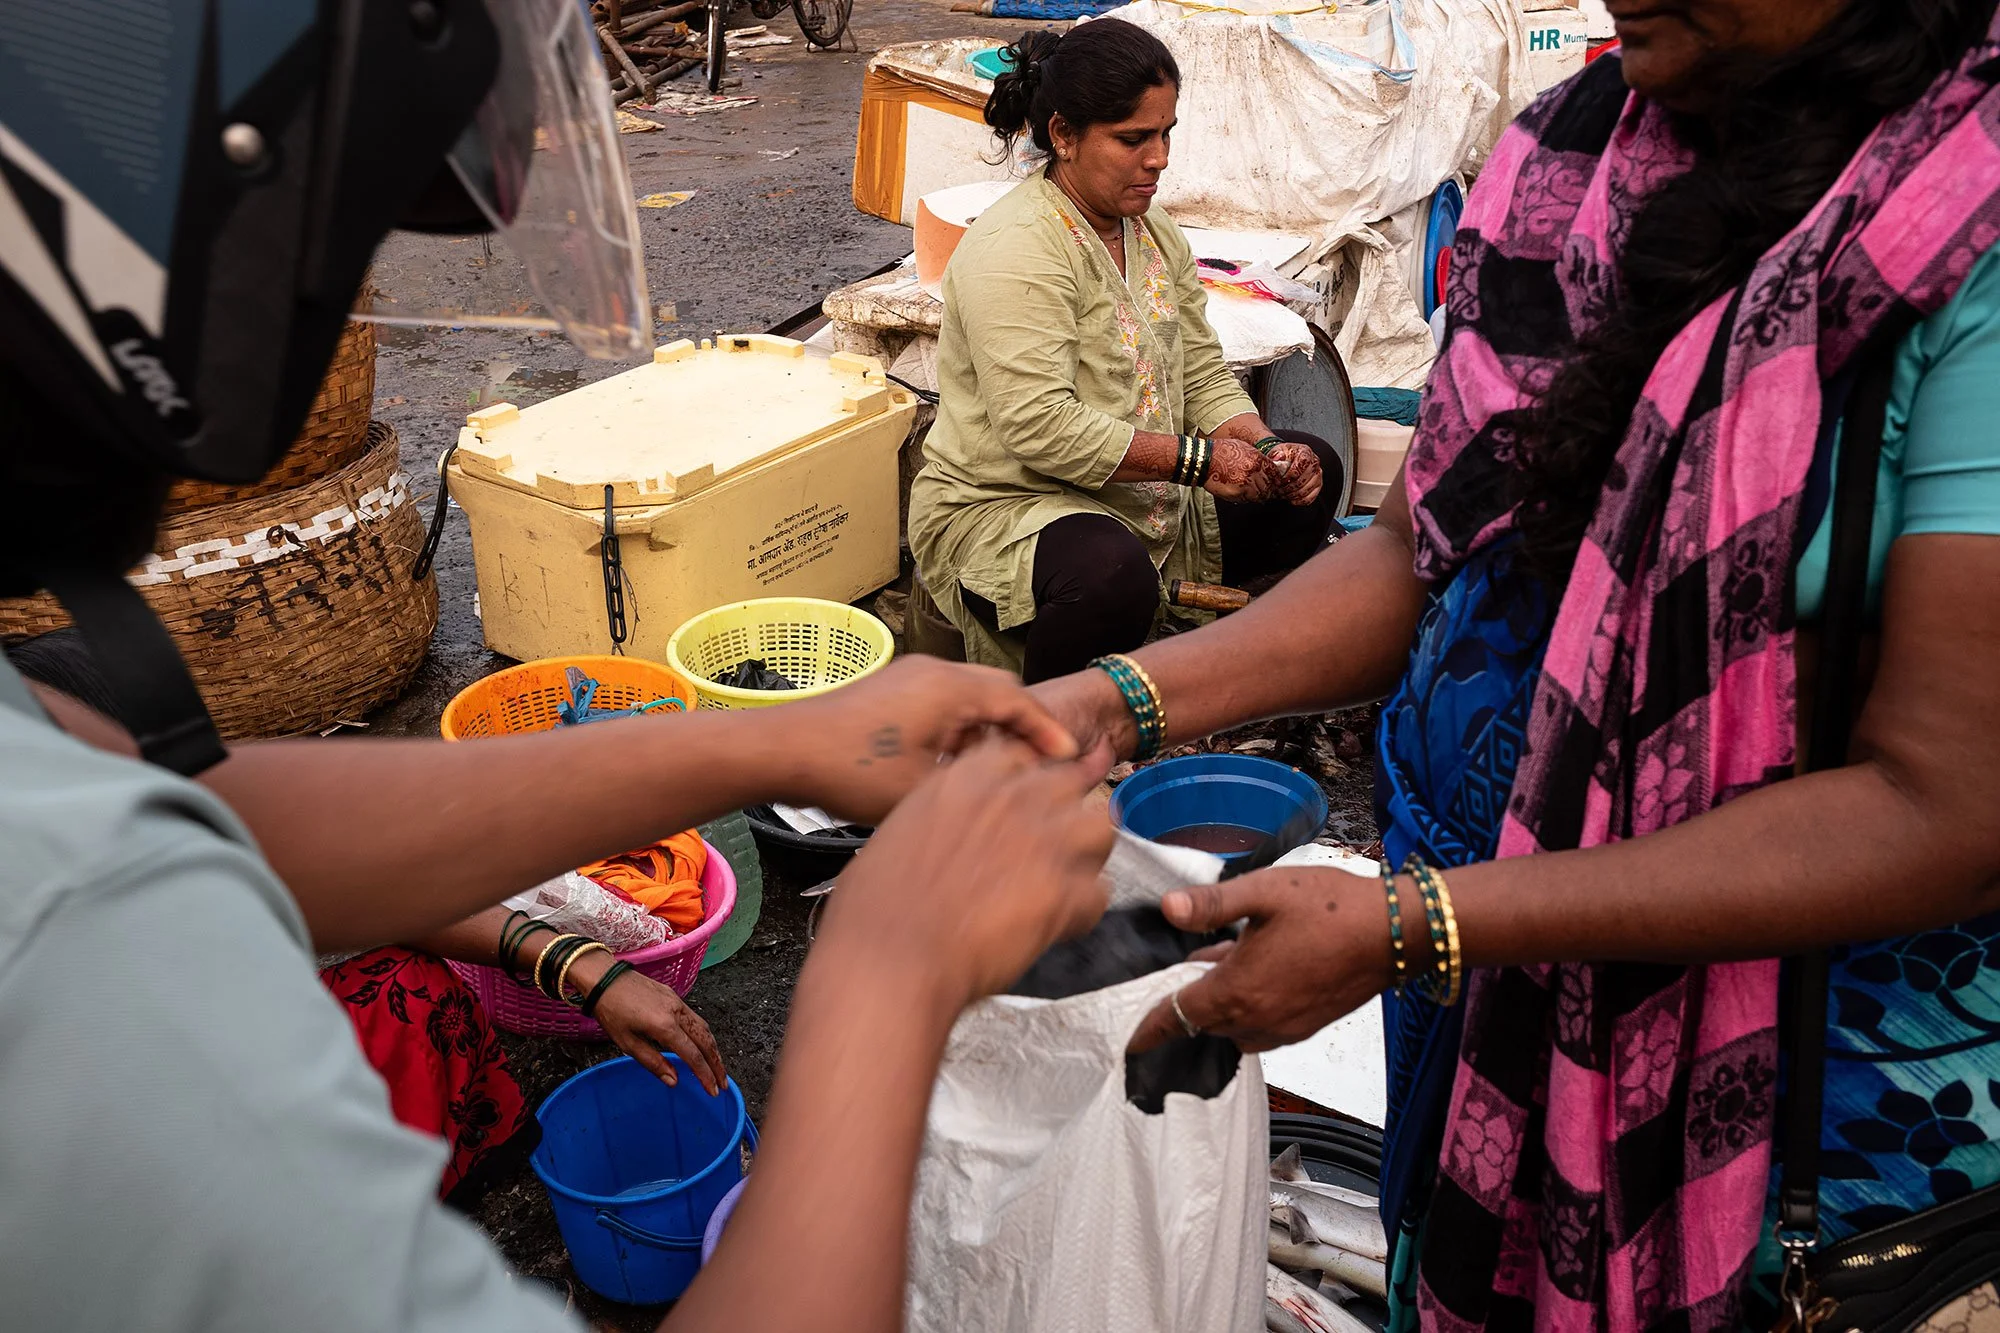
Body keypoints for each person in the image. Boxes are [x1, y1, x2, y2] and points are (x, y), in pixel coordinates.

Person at [0, 3, 1113, 1330]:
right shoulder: (82, 965)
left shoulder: (62, 812)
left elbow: (197, 811)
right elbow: (100, 858)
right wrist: (885, 981)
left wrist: (778, 740)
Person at [1035, 0, 2000, 1327]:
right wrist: (1114, 703)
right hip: (1484, 969)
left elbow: (1943, 807)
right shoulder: (1572, 163)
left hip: (1804, 1107)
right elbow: (1418, 543)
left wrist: (1423, 923)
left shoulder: (1963, 231)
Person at [908, 20, 1338, 683]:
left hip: (1141, 497)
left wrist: (1263, 448)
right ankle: (1047, 733)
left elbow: (1199, 369)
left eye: (1166, 134)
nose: (1159, 157)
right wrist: (1199, 461)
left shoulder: (1152, 229)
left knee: (1314, 475)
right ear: (1064, 136)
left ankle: (1175, 645)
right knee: (1108, 572)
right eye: (1134, 139)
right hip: (1009, 505)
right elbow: (1039, 428)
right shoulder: (1018, 247)